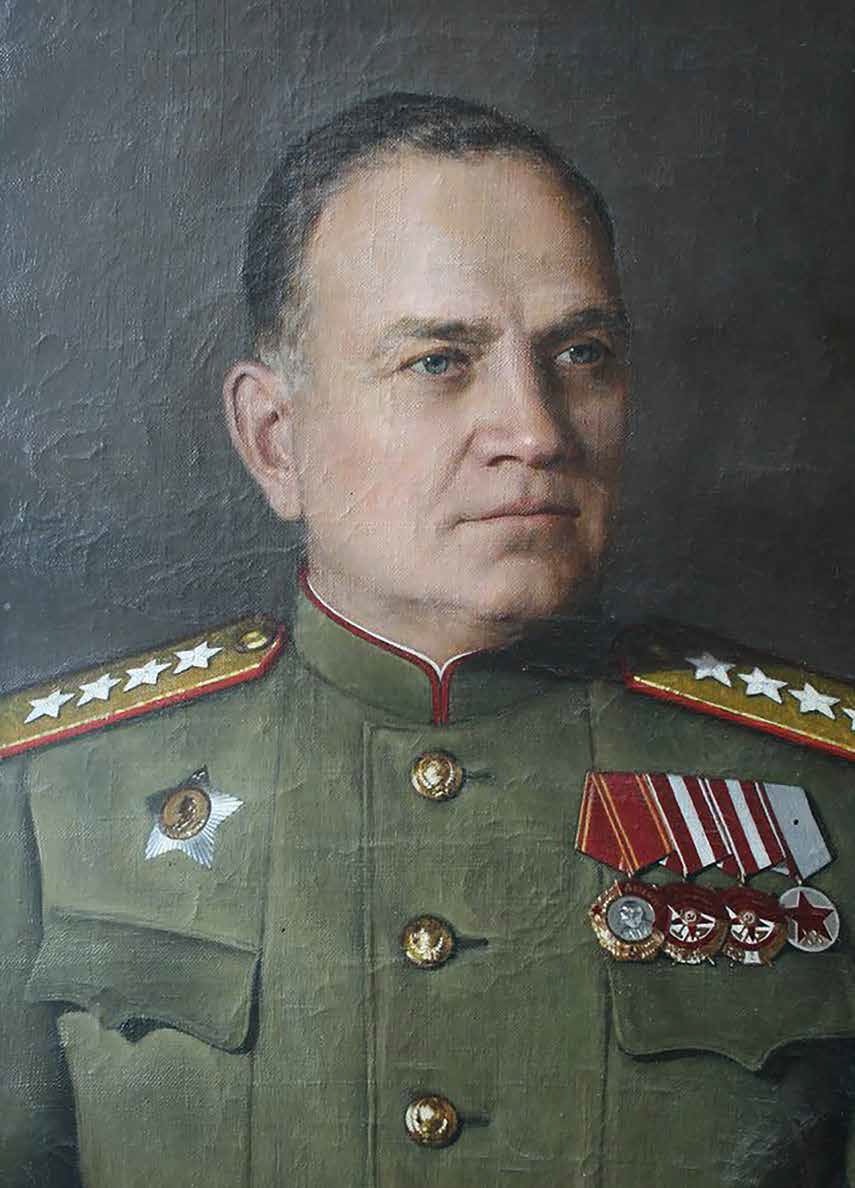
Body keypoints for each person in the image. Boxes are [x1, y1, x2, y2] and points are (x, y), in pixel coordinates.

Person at [1, 91, 854, 1188]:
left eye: (581, 352)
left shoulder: (823, 787)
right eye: (440, 362)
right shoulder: (48, 797)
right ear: (275, 439)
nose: (536, 431)